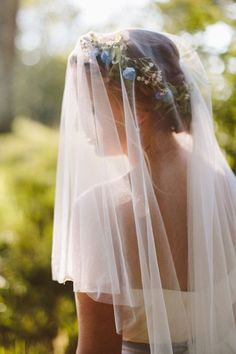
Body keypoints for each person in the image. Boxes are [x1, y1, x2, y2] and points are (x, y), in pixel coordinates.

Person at [51, 28, 236, 354]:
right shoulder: (227, 191)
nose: (81, 125)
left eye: (92, 109)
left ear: (135, 112)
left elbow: (97, 349)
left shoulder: (98, 211)